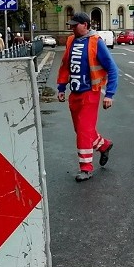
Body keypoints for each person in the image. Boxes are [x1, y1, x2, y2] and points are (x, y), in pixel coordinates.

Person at [56, 12, 118, 182]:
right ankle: (104, 145)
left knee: (83, 131)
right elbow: (65, 66)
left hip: (90, 93)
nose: (72, 27)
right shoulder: (70, 41)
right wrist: (61, 87)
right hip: (74, 94)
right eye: (71, 25)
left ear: (86, 25)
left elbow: (113, 69)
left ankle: (86, 168)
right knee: (82, 131)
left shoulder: (96, 42)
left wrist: (109, 94)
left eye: (75, 25)